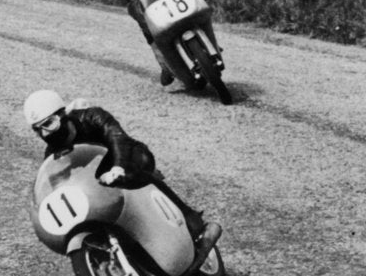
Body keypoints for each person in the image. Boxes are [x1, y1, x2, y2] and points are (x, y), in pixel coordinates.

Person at [23, 89, 221, 256]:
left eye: (49, 124)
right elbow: (59, 186)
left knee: (137, 173)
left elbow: (117, 136)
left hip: (128, 157)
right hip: (96, 186)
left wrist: (118, 167)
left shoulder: (91, 116)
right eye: (38, 130)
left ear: (63, 115)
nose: (45, 134)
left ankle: (195, 224)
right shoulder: (53, 155)